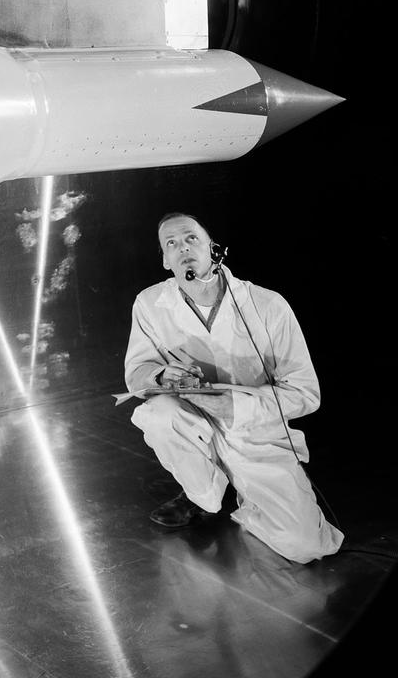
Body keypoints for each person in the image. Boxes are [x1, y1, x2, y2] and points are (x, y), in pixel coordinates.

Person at [123, 212, 342, 563]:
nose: (183, 248)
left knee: (306, 546)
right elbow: (136, 371)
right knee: (158, 415)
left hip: (255, 430)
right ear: (165, 260)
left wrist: (237, 407)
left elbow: (305, 393)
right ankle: (203, 495)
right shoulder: (149, 304)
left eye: (191, 238)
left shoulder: (268, 305)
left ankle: (246, 490)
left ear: (213, 248)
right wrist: (163, 375)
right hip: (195, 420)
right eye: (172, 244)